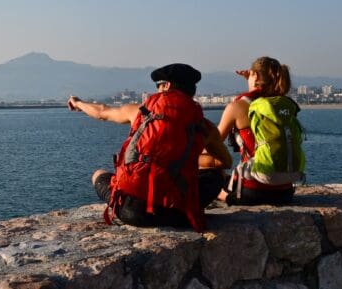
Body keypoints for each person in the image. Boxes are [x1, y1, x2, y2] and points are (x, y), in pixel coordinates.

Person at [67, 63, 231, 231]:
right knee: (216, 175)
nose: (157, 90)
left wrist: (78, 103)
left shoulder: (140, 112)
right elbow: (225, 162)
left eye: (158, 85)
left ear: (167, 86)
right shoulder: (204, 126)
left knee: (98, 174)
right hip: (176, 212)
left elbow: (102, 112)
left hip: (132, 212)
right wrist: (189, 159)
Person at [217, 56, 296, 205]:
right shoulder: (282, 105)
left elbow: (213, 142)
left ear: (255, 75)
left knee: (208, 167)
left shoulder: (238, 106)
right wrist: (253, 78)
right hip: (285, 192)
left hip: (252, 192)